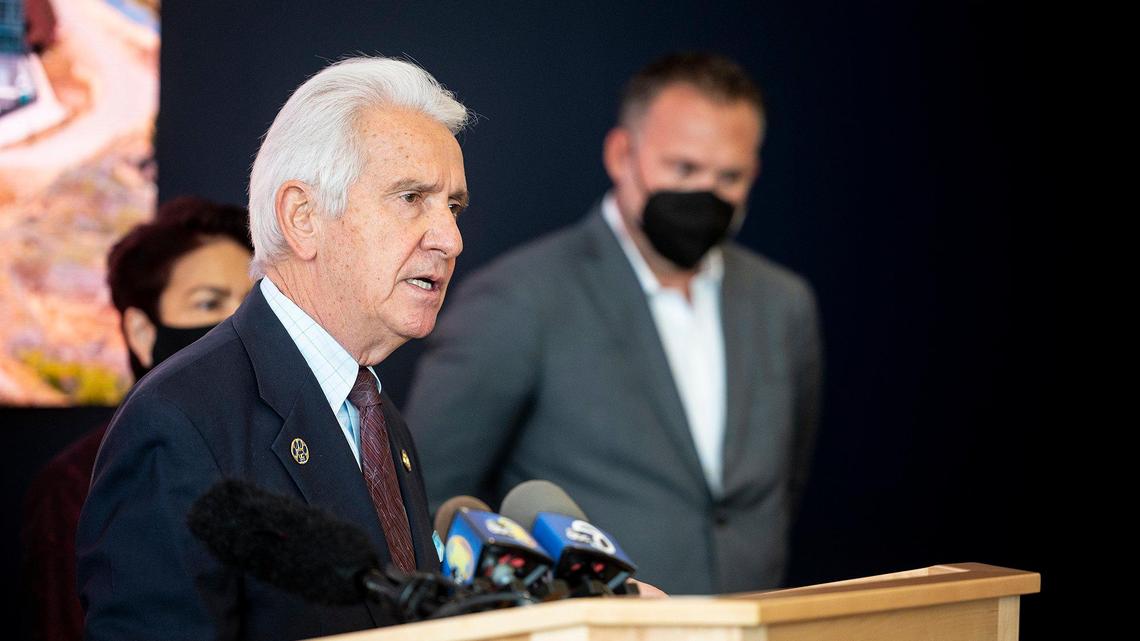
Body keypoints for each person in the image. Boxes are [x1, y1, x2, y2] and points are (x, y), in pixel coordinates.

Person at [76, 56, 470, 640]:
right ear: (302, 218)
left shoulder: (376, 415)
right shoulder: (179, 423)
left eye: (453, 206)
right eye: (412, 198)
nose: (450, 238)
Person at [405, 52, 823, 595]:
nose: (705, 193)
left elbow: (781, 488)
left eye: (729, 176)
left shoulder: (783, 304)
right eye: (684, 168)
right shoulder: (518, 298)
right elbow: (425, 501)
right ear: (622, 154)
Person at [21, 196, 254, 641]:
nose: (236, 326)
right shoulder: (76, 483)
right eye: (209, 304)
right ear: (143, 333)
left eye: (250, 305)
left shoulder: (290, 445)